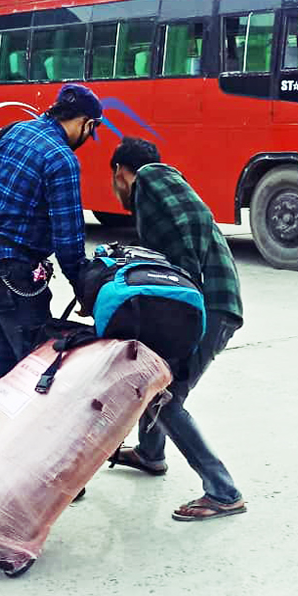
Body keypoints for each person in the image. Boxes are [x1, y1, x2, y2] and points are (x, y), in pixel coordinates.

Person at [103, 137, 247, 522]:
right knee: (155, 381)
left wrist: (183, 297)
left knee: (165, 398)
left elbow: (185, 238)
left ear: (119, 171)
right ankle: (150, 453)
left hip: (208, 307)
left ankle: (223, 492)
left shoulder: (150, 179)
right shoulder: (161, 189)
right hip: (209, 302)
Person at [0, 83, 101, 403]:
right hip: (15, 276)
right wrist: (85, 290)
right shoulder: (60, 158)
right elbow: (69, 239)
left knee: (7, 357)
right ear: (86, 123)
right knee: (36, 365)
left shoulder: (8, 132)